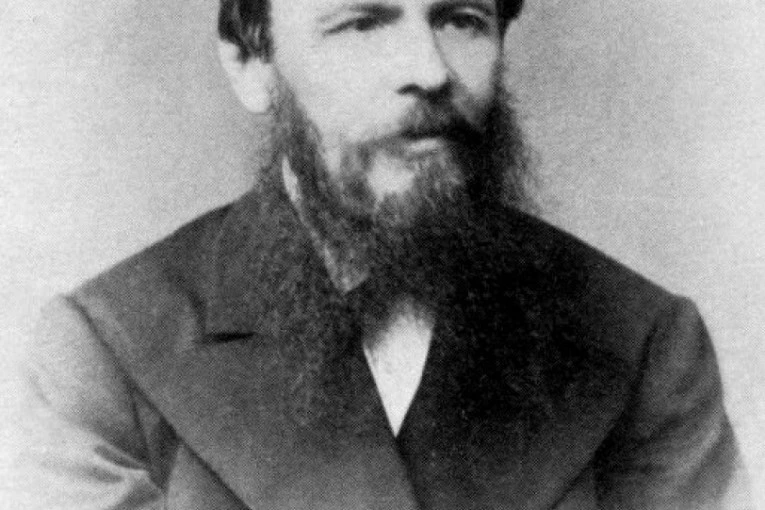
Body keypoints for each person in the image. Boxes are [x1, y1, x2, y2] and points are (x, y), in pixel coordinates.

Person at [7, 0, 751, 508]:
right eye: (361, 22)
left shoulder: (644, 343)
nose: (430, 69)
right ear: (251, 61)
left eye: (460, 19)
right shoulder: (106, 350)